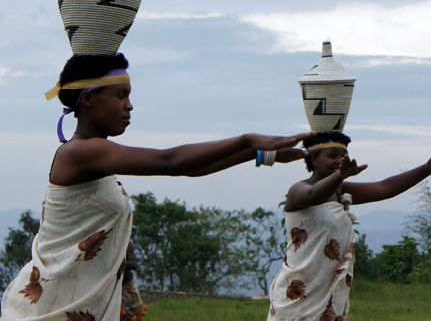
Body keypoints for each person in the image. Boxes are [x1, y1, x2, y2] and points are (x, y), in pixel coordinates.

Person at [0, 52, 317, 321]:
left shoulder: (94, 157)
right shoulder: (81, 152)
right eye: (121, 96)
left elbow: (188, 170)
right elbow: (171, 161)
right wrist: (246, 139)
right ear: (88, 99)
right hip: (46, 309)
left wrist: (259, 154)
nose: (130, 106)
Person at [267, 131, 431, 321]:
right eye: (332, 156)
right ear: (314, 159)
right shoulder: (298, 190)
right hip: (299, 292)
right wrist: (340, 176)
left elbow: (384, 188)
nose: (339, 160)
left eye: (343, 156)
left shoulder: (340, 190)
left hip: (328, 294)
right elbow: (315, 196)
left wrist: (426, 170)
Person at [120, 242, 146, 321]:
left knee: (134, 316)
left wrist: (119, 264)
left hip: (127, 286)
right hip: (112, 286)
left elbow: (133, 264)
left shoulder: (127, 244)